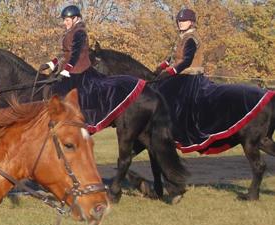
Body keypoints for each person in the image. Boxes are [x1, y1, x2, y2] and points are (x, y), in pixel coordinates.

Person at [152, 8, 274, 154]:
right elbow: (173, 57)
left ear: (191, 22)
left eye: (183, 21)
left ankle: (176, 132)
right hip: (181, 78)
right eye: (179, 21)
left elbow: (186, 61)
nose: (180, 23)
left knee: (177, 103)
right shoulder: (182, 38)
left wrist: (170, 72)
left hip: (189, 79)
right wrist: (161, 67)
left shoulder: (191, 38)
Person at [38, 5, 145, 133]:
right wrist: (51, 64)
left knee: (66, 93)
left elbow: (76, 54)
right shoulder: (70, 32)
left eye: (67, 20)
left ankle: (78, 123)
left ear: (75, 18)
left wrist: (67, 70)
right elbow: (65, 54)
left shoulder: (80, 32)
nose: (64, 23)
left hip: (79, 70)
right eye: (64, 20)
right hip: (70, 69)